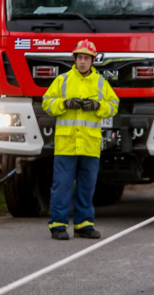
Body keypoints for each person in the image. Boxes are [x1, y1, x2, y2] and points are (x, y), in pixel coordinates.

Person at [42, 39, 119, 240]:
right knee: (62, 186)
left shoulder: (101, 83)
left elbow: (114, 105)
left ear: (93, 60)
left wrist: (97, 107)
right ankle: (58, 225)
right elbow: (47, 103)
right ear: (74, 59)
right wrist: (65, 103)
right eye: (80, 57)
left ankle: (84, 225)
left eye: (86, 58)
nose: (83, 61)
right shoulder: (63, 80)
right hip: (66, 145)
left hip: (89, 145)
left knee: (87, 187)